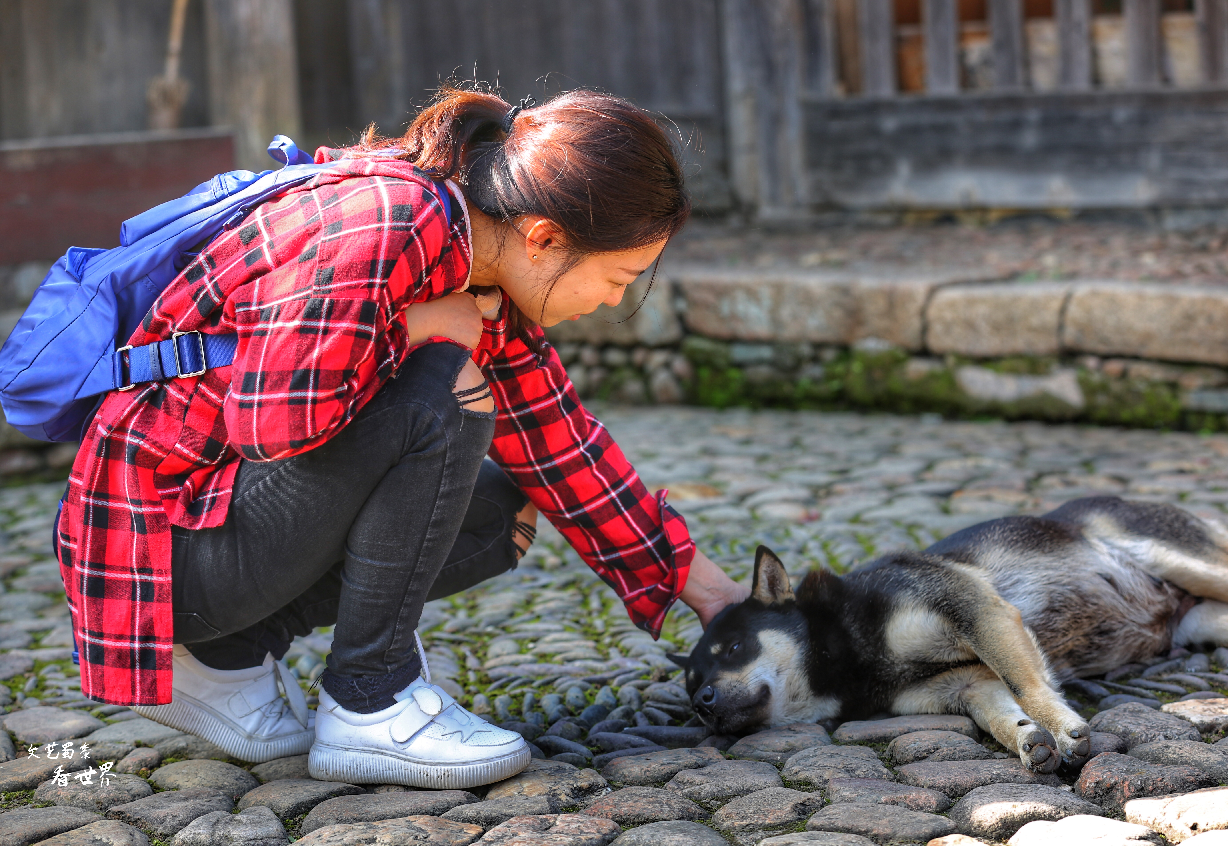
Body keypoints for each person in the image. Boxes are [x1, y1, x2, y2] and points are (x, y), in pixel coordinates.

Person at [56, 85, 749, 789]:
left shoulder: (478, 255)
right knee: (445, 392)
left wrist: (713, 595)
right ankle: (372, 700)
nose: (611, 300)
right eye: (619, 277)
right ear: (545, 237)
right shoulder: (384, 225)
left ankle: (227, 657)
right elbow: (269, 426)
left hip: (224, 533)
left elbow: (561, 444)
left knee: (503, 511)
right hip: (158, 553)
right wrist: (421, 333)